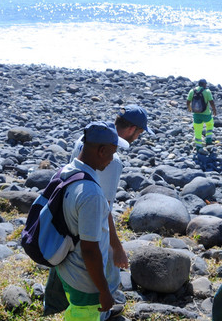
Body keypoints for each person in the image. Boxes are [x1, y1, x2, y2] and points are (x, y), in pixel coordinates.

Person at [69, 104, 152, 311]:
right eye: (140, 132)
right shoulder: (112, 160)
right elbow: (103, 208)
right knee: (102, 281)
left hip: (74, 215)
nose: (138, 137)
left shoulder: (84, 139)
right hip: (94, 226)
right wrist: (117, 247)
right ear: (132, 129)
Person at [56, 122, 129, 321]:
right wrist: (104, 291)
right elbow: (89, 249)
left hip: (66, 265)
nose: (113, 159)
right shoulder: (92, 195)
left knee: (75, 313)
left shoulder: (67, 172)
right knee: (85, 315)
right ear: (102, 150)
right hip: (85, 279)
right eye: (112, 153)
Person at [186, 79, 217, 149]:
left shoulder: (192, 91)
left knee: (197, 130)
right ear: (203, 84)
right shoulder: (207, 91)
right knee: (210, 124)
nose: (206, 85)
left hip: (196, 114)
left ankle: (198, 147)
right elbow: (211, 102)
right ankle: (208, 140)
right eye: (205, 84)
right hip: (206, 114)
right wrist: (214, 110)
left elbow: (188, 101)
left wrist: (189, 108)